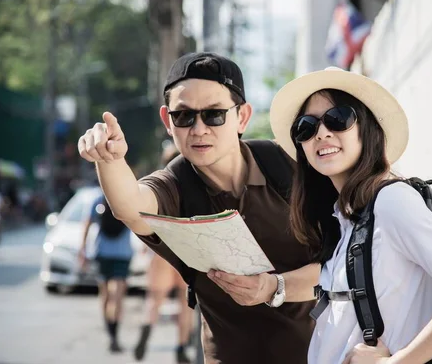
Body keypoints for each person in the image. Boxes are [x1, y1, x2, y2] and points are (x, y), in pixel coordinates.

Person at [78, 52, 319, 364]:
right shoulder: (175, 186)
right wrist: (110, 159)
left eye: (215, 114)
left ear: (242, 117)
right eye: (184, 116)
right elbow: (131, 206)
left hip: (323, 354)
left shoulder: (288, 164)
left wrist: (275, 287)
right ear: (168, 120)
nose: (199, 128)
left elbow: (341, 267)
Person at [269, 67, 432, 364]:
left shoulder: (391, 201)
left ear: (367, 129)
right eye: (306, 127)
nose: (322, 133)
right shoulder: (346, 220)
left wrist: (400, 361)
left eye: (339, 118)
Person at [134, 142, 194, 363]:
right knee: (185, 303)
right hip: (186, 254)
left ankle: (146, 331)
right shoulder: (194, 187)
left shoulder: (158, 188)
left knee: (154, 299)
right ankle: (180, 348)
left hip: (161, 253)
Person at [79, 196, 134, 353]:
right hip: (122, 254)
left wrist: (82, 250)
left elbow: (87, 224)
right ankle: (113, 334)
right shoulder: (125, 196)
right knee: (115, 296)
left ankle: (111, 333)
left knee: (107, 295)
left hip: (103, 252)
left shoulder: (97, 199)